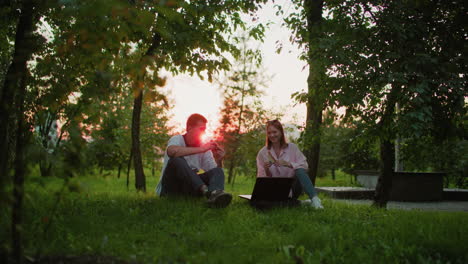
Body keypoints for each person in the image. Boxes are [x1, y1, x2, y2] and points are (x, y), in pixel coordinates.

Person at [155, 113, 232, 208]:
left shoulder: (203, 147)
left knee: (218, 170)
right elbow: (172, 152)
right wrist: (202, 149)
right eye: (201, 129)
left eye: (205, 130)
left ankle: (215, 196)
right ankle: (206, 192)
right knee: (176, 160)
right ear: (189, 128)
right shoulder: (177, 139)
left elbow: (213, 173)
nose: (204, 133)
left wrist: (219, 160)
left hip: (189, 188)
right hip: (170, 188)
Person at [256, 119, 324, 209]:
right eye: (269, 133)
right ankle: (299, 204)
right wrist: (266, 170)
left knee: (299, 169)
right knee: (258, 204)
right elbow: (261, 179)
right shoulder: (263, 153)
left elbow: (305, 166)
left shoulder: (292, 148)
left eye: (275, 132)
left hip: (292, 187)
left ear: (281, 132)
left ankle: (315, 200)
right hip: (274, 189)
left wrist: (289, 164)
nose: (272, 135)